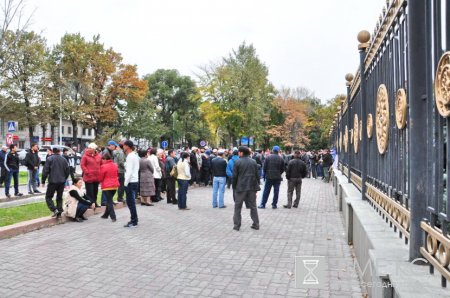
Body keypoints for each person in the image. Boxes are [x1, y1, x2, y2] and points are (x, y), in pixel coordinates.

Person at [232, 146, 260, 231]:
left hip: (241, 187)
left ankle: (237, 225)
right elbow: (257, 175)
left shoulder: (237, 162)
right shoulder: (253, 161)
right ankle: (256, 224)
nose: (238, 153)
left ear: (241, 153)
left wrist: (234, 187)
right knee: (253, 206)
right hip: (252, 187)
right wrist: (257, 186)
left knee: (238, 207)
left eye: (239, 152)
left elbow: (234, 176)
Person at [42, 147, 69, 218]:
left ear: (52, 151)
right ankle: (59, 212)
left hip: (53, 181)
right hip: (61, 181)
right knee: (59, 197)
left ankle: (54, 210)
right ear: (59, 151)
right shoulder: (64, 159)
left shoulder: (49, 159)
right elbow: (67, 170)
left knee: (48, 197)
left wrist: (43, 181)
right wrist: (64, 178)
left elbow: (45, 171)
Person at [99, 152, 120, 222]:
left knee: (109, 201)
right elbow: (117, 174)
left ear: (105, 159)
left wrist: (99, 181)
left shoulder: (103, 166)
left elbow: (101, 177)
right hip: (115, 186)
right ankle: (105, 215)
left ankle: (113, 217)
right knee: (109, 200)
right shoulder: (115, 165)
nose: (102, 161)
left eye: (102, 159)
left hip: (107, 186)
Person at [123, 140, 139, 228]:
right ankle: (134, 219)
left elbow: (129, 172)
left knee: (130, 202)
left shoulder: (130, 156)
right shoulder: (135, 155)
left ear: (127, 147)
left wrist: (125, 183)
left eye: (124, 146)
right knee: (131, 202)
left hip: (130, 181)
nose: (123, 147)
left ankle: (134, 220)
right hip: (134, 180)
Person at [81, 143, 102, 207]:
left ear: (94, 149)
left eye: (90, 148)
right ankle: (90, 204)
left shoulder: (99, 156)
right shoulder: (85, 156)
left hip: (97, 177)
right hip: (89, 177)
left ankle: (95, 202)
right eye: (88, 148)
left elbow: (101, 164)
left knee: (95, 191)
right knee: (89, 192)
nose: (88, 149)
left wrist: (100, 171)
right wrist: (87, 172)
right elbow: (82, 165)